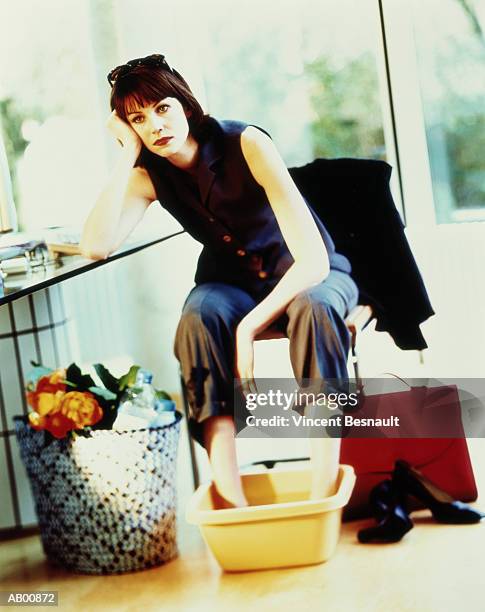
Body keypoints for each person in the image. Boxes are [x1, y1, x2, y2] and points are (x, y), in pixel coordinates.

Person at [80, 54, 359, 508]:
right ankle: (231, 502)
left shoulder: (245, 142)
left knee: (314, 308)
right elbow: (95, 245)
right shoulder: (150, 172)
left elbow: (313, 262)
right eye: (138, 119)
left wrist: (248, 328)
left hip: (311, 276)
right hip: (232, 284)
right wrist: (126, 157)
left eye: (162, 108)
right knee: (199, 316)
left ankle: (320, 497)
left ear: (186, 104)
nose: (155, 125)